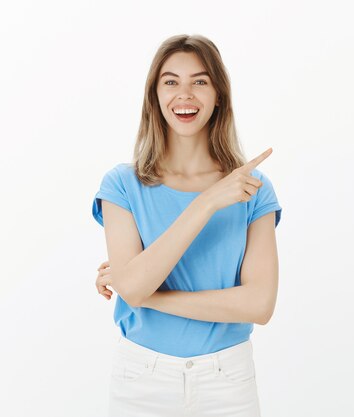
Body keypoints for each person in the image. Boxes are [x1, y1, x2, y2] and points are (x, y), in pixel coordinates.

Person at [91, 34, 282, 417]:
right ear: (154, 96)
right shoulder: (122, 185)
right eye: (171, 81)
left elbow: (259, 305)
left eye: (199, 81)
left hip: (227, 380)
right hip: (142, 379)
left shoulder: (251, 189)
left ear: (218, 95)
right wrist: (208, 201)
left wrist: (147, 296)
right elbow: (132, 285)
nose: (185, 94)